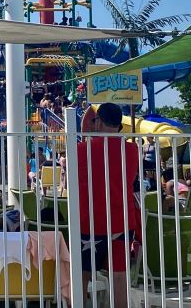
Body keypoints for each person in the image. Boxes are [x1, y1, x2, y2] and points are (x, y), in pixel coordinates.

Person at [77, 103, 139, 305]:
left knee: (82, 274)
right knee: (119, 276)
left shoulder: (82, 150)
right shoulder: (131, 150)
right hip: (122, 220)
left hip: (90, 220)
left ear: (99, 122)